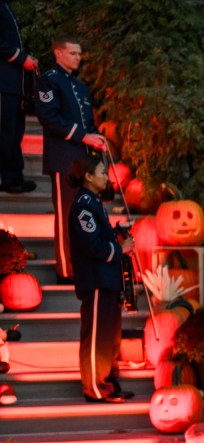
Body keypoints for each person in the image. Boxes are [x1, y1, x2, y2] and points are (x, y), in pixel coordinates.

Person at [35, 37, 107, 282]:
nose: (78, 57)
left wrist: (96, 137)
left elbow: (89, 124)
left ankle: (84, 267)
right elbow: (49, 117)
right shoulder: (48, 81)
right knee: (67, 216)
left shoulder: (81, 86)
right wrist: (84, 136)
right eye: (73, 53)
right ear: (58, 53)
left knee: (85, 216)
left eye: (79, 54)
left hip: (84, 163)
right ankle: (66, 271)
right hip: (63, 161)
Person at [66, 155, 133, 403]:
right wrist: (120, 249)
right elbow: (92, 245)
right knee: (96, 337)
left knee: (110, 336)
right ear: (88, 176)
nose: (107, 177)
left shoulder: (94, 201)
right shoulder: (83, 206)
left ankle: (109, 380)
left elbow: (99, 235)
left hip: (107, 280)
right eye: (103, 172)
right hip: (95, 280)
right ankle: (95, 387)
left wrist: (116, 234)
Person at [0, 0, 37, 194]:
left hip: (12, 81)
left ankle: (14, 175)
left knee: (14, 130)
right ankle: (8, 177)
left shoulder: (4, 5)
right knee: (5, 130)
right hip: (3, 81)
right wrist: (20, 57)